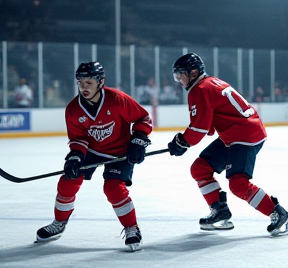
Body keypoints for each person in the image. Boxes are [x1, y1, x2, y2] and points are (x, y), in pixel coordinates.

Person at [167, 53, 288, 235]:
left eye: (180, 75)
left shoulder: (199, 89)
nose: (179, 80)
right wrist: (184, 141)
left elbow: (199, 129)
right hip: (238, 134)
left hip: (243, 136)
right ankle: (220, 211)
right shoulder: (210, 82)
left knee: (238, 184)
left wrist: (182, 142)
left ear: (193, 73)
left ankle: (277, 212)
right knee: (200, 168)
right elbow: (207, 127)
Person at [36, 62, 152, 251]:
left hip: (121, 151)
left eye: (89, 82)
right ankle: (59, 223)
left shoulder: (117, 99)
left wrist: (138, 138)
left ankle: (131, 227)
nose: (84, 87)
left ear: (101, 82)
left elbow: (143, 118)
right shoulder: (73, 109)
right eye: (80, 82)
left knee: (113, 188)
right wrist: (75, 156)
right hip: (92, 151)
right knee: (68, 180)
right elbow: (78, 138)